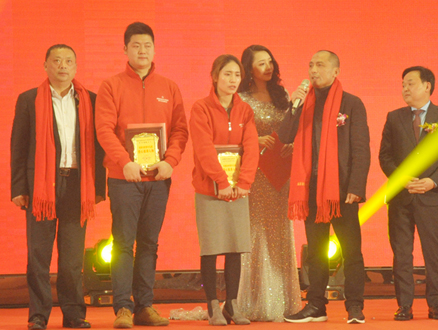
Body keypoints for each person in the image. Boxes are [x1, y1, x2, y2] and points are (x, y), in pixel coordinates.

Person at [95, 22, 188, 330]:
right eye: (136, 45)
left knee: (149, 243)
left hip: (158, 179)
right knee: (123, 243)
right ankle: (123, 307)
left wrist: (170, 161)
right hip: (124, 178)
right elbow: (104, 129)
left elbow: (180, 130)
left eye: (148, 45)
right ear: (125, 49)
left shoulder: (169, 87)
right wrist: (124, 162)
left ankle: (145, 307)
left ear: (154, 49)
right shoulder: (111, 86)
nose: (142, 50)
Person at [11, 43, 106, 330]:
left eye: (68, 61)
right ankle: (38, 315)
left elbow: (99, 147)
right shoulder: (29, 99)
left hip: (77, 185)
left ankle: (74, 313)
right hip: (40, 187)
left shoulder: (91, 100)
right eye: (56, 61)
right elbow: (19, 146)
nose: (62, 66)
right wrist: (19, 187)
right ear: (45, 66)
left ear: (75, 67)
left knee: (72, 258)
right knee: (38, 256)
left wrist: (98, 188)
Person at [279, 50, 370, 326]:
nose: (313, 70)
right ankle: (316, 305)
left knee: (351, 251)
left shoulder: (351, 103)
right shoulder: (303, 103)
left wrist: (356, 186)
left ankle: (354, 307)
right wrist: (293, 106)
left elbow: (361, 148)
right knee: (316, 252)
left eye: (320, 65)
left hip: (341, 191)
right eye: (310, 65)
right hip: (311, 189)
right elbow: (285, 135)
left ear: (335, 71)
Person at [379, 66, 438, 320]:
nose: (405, 88)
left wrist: (432, 182)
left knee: (434, 252)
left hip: (433, 196)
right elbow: (385, 156)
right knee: (402, 253)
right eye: (403, 84)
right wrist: (401, 179)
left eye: (411, 83)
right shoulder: (394, 117)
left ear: (427, 86)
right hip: (401, 197)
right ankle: (404, 305)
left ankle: (436, 304)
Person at [190, 55, 259, 327]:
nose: (232, 80)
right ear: (215, 76)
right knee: (211, 247)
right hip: (210, 189)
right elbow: (203, 148)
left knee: (235, 246)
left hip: (237, 190)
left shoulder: (245, 110)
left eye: (237, 75)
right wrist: (220, 181)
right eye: (227, 74)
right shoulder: (201, 108)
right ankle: (212, 305)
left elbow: (251, 147)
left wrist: (244, 183)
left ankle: (232, 303)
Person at [237, 46, 302, 322]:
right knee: (256, 233)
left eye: (270, 62)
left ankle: (284, 301)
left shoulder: (282, 96)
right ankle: (253, 300)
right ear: (248, 69)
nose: (268, 67)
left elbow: (292, 129)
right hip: (254, 175)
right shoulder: (240, 98)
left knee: (280, 233)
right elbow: (232, 134)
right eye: (261, 63)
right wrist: (253, 141)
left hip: (280, 175)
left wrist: (292, 144)